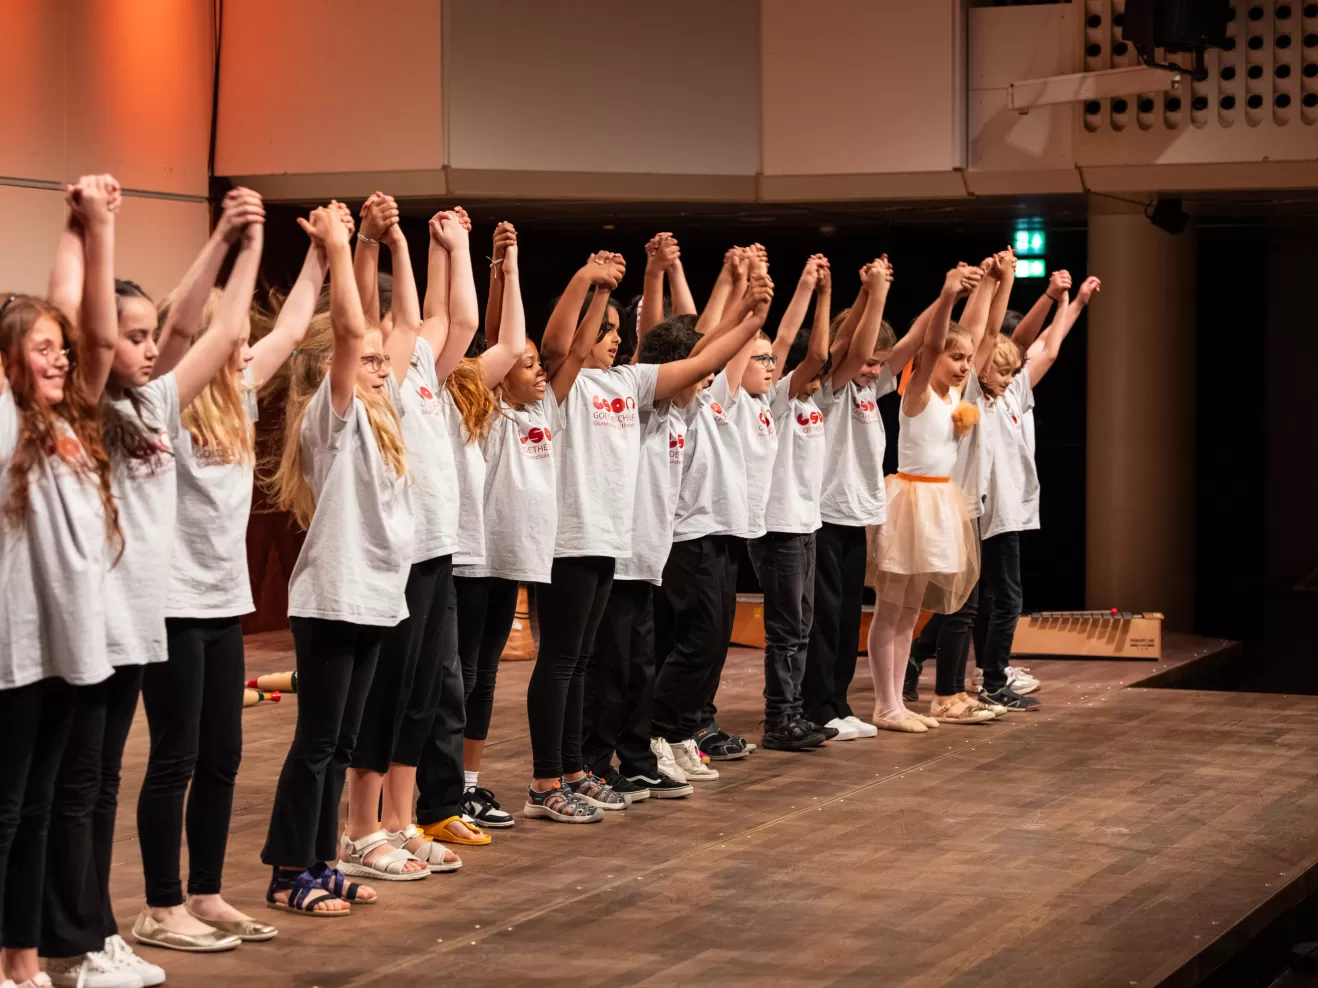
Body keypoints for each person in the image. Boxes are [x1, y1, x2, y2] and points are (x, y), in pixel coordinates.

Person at [41, 188, 264, 988]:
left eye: (149, 338)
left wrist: (241, 242)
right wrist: (95, 228)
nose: (145, 348)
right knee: (75, 789)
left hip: (137, 623)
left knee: (97, 785)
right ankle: (71, 938)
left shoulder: (155, 401)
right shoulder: (89, 402)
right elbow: (105, 331)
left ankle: (92, 932)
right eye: (129, 337)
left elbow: (218, 328)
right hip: (93, 623)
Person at [130, 192, 316, 954]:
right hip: (168, 604)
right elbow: (189, 331)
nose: (248, 351)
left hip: (220, 602)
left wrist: (327, 249)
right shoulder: (162, 402)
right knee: (173, 756)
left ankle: (205, 892)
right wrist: (236, 244)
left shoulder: (237, 393)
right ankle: (159, 905)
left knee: (223, 755)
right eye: (234, 340)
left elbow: (298, 325)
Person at [260, 201, 413, 915]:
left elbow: (403, 329)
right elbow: (353, 329)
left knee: (344, 739)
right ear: (333, 368)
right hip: (332, 600)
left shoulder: (387, 420)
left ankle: (320, 862)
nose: (383, 366)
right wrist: (339, 247)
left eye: (384, 360)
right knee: (318, 743)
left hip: (376, 599)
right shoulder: (334, 413)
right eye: (371, 360)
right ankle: (291, 872)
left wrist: (381, 245)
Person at [0, 175, 122, 988]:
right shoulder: (8, 423)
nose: (58, 356)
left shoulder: (66, 421)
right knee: (5, 814)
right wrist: (74, 230)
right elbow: (55, 308)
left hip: (66, 656)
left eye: (57, 348)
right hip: (15, 655)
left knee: (35, 814)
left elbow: (78, 325)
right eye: (38, 350)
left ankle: (23, 956)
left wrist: (88, 224)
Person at [454, 223, 587, 827]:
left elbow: (566, 355)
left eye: (538, 365)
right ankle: (445, 781)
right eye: (526, 364)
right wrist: (501, 269)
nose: (538, 372)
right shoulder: (486, 405)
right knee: (465, 675)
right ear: (499, 370)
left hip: (514, 560)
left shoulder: (545, 407)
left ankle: (469, 781)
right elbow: (495, 337)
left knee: (484, 679)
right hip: (474, 561)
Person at [581, 234, 699, 802]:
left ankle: (632, 755)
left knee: (639, 669)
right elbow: (654, 343)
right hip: (617, 552)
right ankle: (596, 763)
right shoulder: (636, 393)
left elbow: (690, 342)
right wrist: (653, 275)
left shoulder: (678, 407)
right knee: (611, 673)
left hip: (649, 553)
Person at [649, 259, 776, 783]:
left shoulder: (713, 402)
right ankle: (657, 731)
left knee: (714, 641)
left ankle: (678, 732)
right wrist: (741, 297)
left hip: (721, 532)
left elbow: (720, 349)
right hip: (687, 534)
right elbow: (712, 347)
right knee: (695, 640)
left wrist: (748, 297)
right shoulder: (676, 406)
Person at [865, 261, 988, 733]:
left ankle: (896, 702)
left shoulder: (954, 395)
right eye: (955, 360)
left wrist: (990, 284)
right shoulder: (916, 392)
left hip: (939, 503)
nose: (963, 366)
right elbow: (935, 340)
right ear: (929, 361)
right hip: (911, 500)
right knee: (892, 607)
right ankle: (885, 703)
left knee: (912, 610)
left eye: (966, 361)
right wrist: (948, 293)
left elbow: (973, 333)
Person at [973, 275, 1098, 711]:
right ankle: (991, 679)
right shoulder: (976, 393)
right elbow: (1025, 340)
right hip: (985, 510)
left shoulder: (1013, 391)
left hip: (1008, 509)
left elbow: (1048, 346)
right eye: (1003, 367)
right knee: (1000, 599)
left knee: (980, 598)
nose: (1011, 374)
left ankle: (941, 666)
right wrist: (1050, 296)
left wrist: (1074, 302)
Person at [800, 254, 908, 739]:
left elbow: (908, 346)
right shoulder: (830, 386)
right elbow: (852, 347)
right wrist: (873, 291)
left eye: (878, 364)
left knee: (845, 615)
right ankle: (817, 706)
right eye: (868, 361)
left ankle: (838, 702)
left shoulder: (869, 387)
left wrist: (951, 296)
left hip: (855, 513)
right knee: (823, 617)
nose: (874, 368)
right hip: (822, 512)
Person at [744, 254, 841, 750]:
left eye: (771, 361)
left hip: (805, 524)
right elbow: (814, 352)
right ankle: (779, 720)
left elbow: (816, 359)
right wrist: (816, 292)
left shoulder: (808, 403)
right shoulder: (773, 401)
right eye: (761, 360)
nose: (770, 365)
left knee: (802, 626)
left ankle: (794, 713)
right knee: (786, 630)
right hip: (777, 527)